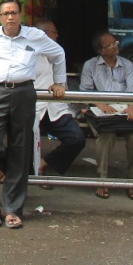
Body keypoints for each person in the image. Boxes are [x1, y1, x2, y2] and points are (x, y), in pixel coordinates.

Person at [0, 0, 67, 230]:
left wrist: (58, 82)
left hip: (24, 92)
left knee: (20, 148)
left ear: (20, 15)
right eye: (5, 13)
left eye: (14, 13)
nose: (10, 17)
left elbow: (58, 54)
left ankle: (12, 209)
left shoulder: (34, 36)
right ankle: (11, 168)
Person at [80, 30, 133, 200]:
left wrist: (132, 107)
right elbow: (85, 91)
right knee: (106, 136)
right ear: (101, 51)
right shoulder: (90, 65)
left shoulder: (127, 64)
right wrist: (101, 104)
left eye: (116, 42)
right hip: (102, 110)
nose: (116, 46)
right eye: (110, 45)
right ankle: (103, 180)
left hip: (124, 109)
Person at [32, 20, 86, 179]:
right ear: (45, 34)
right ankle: (27, 175)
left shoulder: (58, 53)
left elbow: (63, 85)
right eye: (54, 32)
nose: (57, 35)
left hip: (56, 108)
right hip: (32, 107)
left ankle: (43, 164)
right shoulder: (28, 52)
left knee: (76, 139)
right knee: (24, 142)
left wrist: (75, 109)